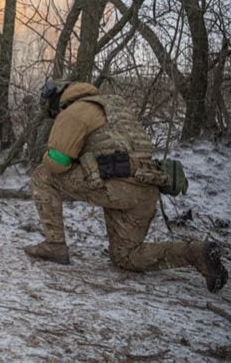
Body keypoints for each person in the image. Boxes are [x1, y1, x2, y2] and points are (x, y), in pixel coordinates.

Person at [24, 80, 227, 293]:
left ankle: (54, 245)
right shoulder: (114, 105)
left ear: (58, 100)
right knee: (127, 256)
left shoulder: (74, 112)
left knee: (42, 174)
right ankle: (195, 253)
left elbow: (58, 162)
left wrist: (52, 154)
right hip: (146, 186)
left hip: (116, 185)